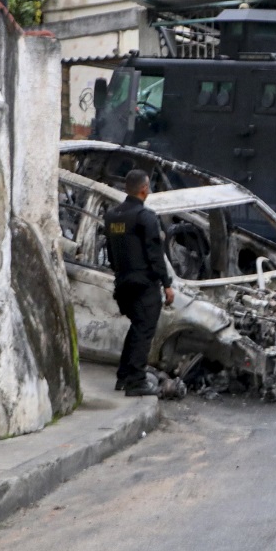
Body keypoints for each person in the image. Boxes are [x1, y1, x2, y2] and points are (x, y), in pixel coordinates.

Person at [104, 169, 175, 397]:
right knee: (144, 332)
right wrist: (166, 284)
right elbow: (155, 254)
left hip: (123, 283)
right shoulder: (146, 217)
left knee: (136, 329)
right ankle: (136, 380)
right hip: (144, 284)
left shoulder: (112, 216)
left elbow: (111, 254)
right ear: (145, 189)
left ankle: (124, 377)